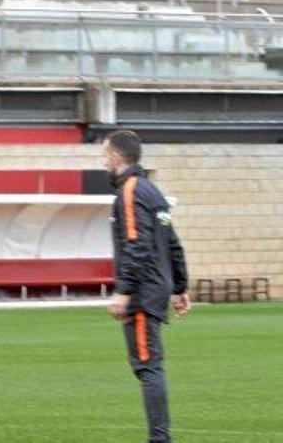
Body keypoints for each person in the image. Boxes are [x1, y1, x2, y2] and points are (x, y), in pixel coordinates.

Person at [102, 130, 191, 443]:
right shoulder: (153, 192)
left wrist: (123, 291)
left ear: (115, 156)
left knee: (148, 366)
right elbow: (171, 241)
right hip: (157, 288)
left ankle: (159, 439)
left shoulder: (129, 191)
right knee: (149, 365)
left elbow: (136, 245)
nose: (104, 161)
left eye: (105, 154)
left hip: (142, 292)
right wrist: (179, 286)